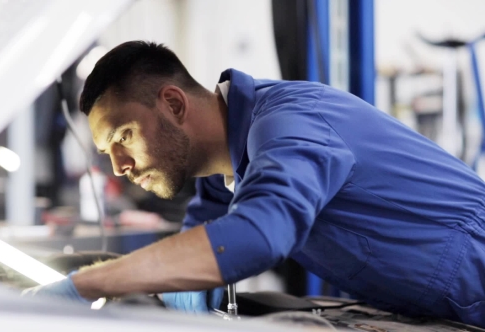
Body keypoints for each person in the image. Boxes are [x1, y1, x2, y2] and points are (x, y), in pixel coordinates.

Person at [24, 41, 485, 327]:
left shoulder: (289, 124)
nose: (120, 166)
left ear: (173, 103)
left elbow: (258, 235)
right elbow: (202, 240)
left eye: (123, 136)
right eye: (107, 152)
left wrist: (88, 285)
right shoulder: (224, 171)